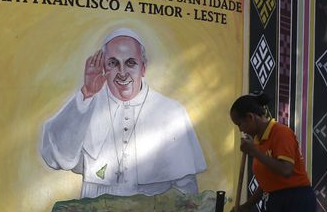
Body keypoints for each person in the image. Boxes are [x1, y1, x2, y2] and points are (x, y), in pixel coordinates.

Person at [40, 28, 207, 198]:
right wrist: (87, 92)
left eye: (130, 63)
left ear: (143, 68)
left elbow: (187, 189)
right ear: (104, 67)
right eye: (113, 63)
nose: (122, 72)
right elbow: (57, 157)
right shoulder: (86, 103)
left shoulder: (171, 112)